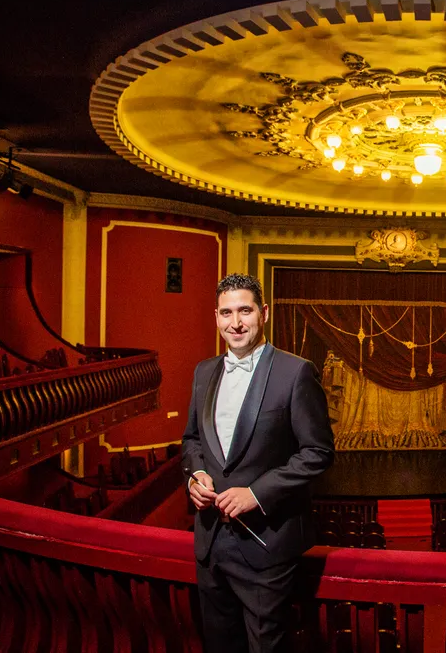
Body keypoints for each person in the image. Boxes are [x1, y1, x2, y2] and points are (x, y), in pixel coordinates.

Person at [182, 273, 334, 653]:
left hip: (267, 543)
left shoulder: (296, 371)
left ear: (264, 313)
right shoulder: (204, 372)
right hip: (210, 542)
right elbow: (192, 441)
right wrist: (195, 474)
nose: (235, 322)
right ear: (215, 317)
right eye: (226, 312)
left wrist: (256, 493)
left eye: (245, 311)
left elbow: (318, 452)